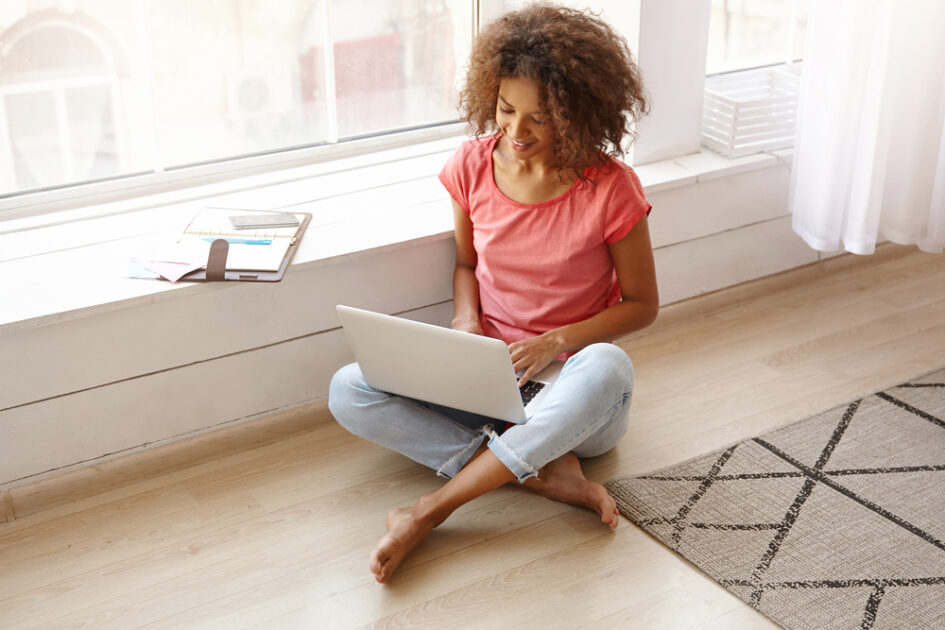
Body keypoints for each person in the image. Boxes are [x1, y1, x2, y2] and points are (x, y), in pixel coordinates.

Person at [329, 2, 658, 584]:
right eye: (506, 110)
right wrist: (464, 323)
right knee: (348, 389)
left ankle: (429, 511)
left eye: (540, 117)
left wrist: (554, 342)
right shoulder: (472, 167)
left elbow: (642, 305)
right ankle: (540, 469)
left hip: (572, 387)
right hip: (491, 377)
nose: (517, 132)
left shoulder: (611, 188)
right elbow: (464, 264)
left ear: (576, 112)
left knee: (610, 365)